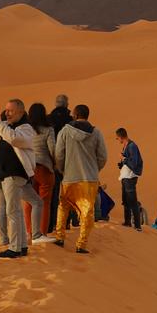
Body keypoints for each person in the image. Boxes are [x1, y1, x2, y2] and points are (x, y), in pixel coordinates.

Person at [0, 98, 38, 258]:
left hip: (15, 173)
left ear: (21, 112)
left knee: (12, 210)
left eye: (11, 110)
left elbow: (14, 139)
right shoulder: (7, 127)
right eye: (6, 110)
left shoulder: (26, 129)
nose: (7, 113)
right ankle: (22, 246)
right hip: (6, 173)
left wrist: (0, 123)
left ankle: (14, 248)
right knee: (15, 211)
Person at [53, 103, 107, 253]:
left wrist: (63, 169)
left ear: (75, 115)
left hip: (69, 177)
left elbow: (58, 154)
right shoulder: (96, 133)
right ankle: (81, 244)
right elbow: (103, 156)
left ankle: (60, 237)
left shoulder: (64, 131)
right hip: (89, 180)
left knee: (63, 207)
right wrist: (94, 170)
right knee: (87, 212)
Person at [21, 102, 58, 244]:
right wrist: (56, 164)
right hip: (44, 168)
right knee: (44, 202)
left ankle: (30, 232)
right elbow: (53, 149)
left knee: (29, 201)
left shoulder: (25, 130)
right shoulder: (48, 130)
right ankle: (41, 233)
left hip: (28, 168)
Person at [48, 94, 73, 227]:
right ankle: (65, 222)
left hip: (52, 160)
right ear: (67, 104)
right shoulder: (70, 120)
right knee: (67, 191)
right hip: (68, 159)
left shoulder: (49, 119)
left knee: (53, 192)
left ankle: (51, 223)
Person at [115, 127, 144, 230]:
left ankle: (137, 225)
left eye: (117, 138)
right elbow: (128, 162)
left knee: (132, 200)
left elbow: (134, 163)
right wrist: (122, 163)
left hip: (130, 177)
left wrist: (124, 159)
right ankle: (127, 222)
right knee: (126, 200)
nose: (117, 140)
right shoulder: (126, 146)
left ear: (121, 137)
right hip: (125, 176)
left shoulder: (132, 146)